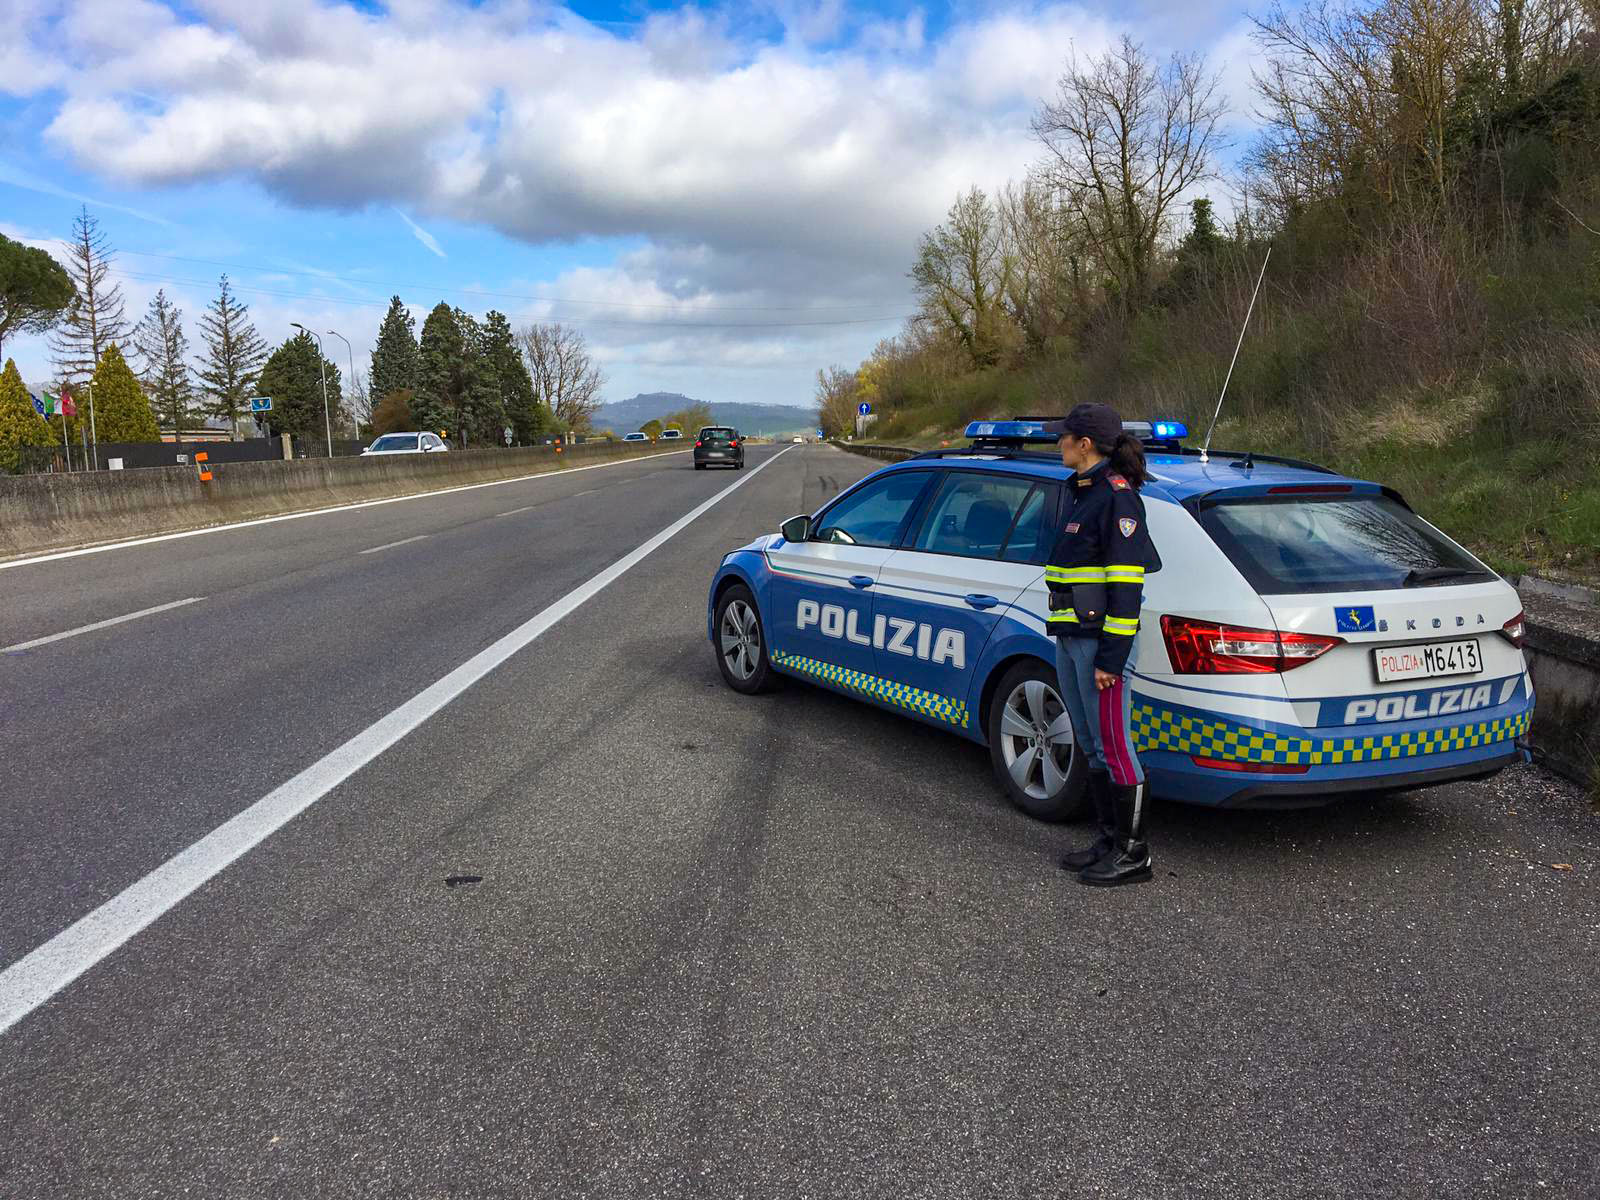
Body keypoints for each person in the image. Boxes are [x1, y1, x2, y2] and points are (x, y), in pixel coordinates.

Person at [1041, 403, 1161, 887]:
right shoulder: (1082, 492)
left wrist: (1112, 657)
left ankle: (1134, 854)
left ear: (1084, 444)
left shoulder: (1117, 498)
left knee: (1115, 746)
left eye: (1063, 436)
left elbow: (1127, 586)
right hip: (1071, 637)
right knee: (1092, 745)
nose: (1058, 443)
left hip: (1100, 646)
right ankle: (1109, 841)